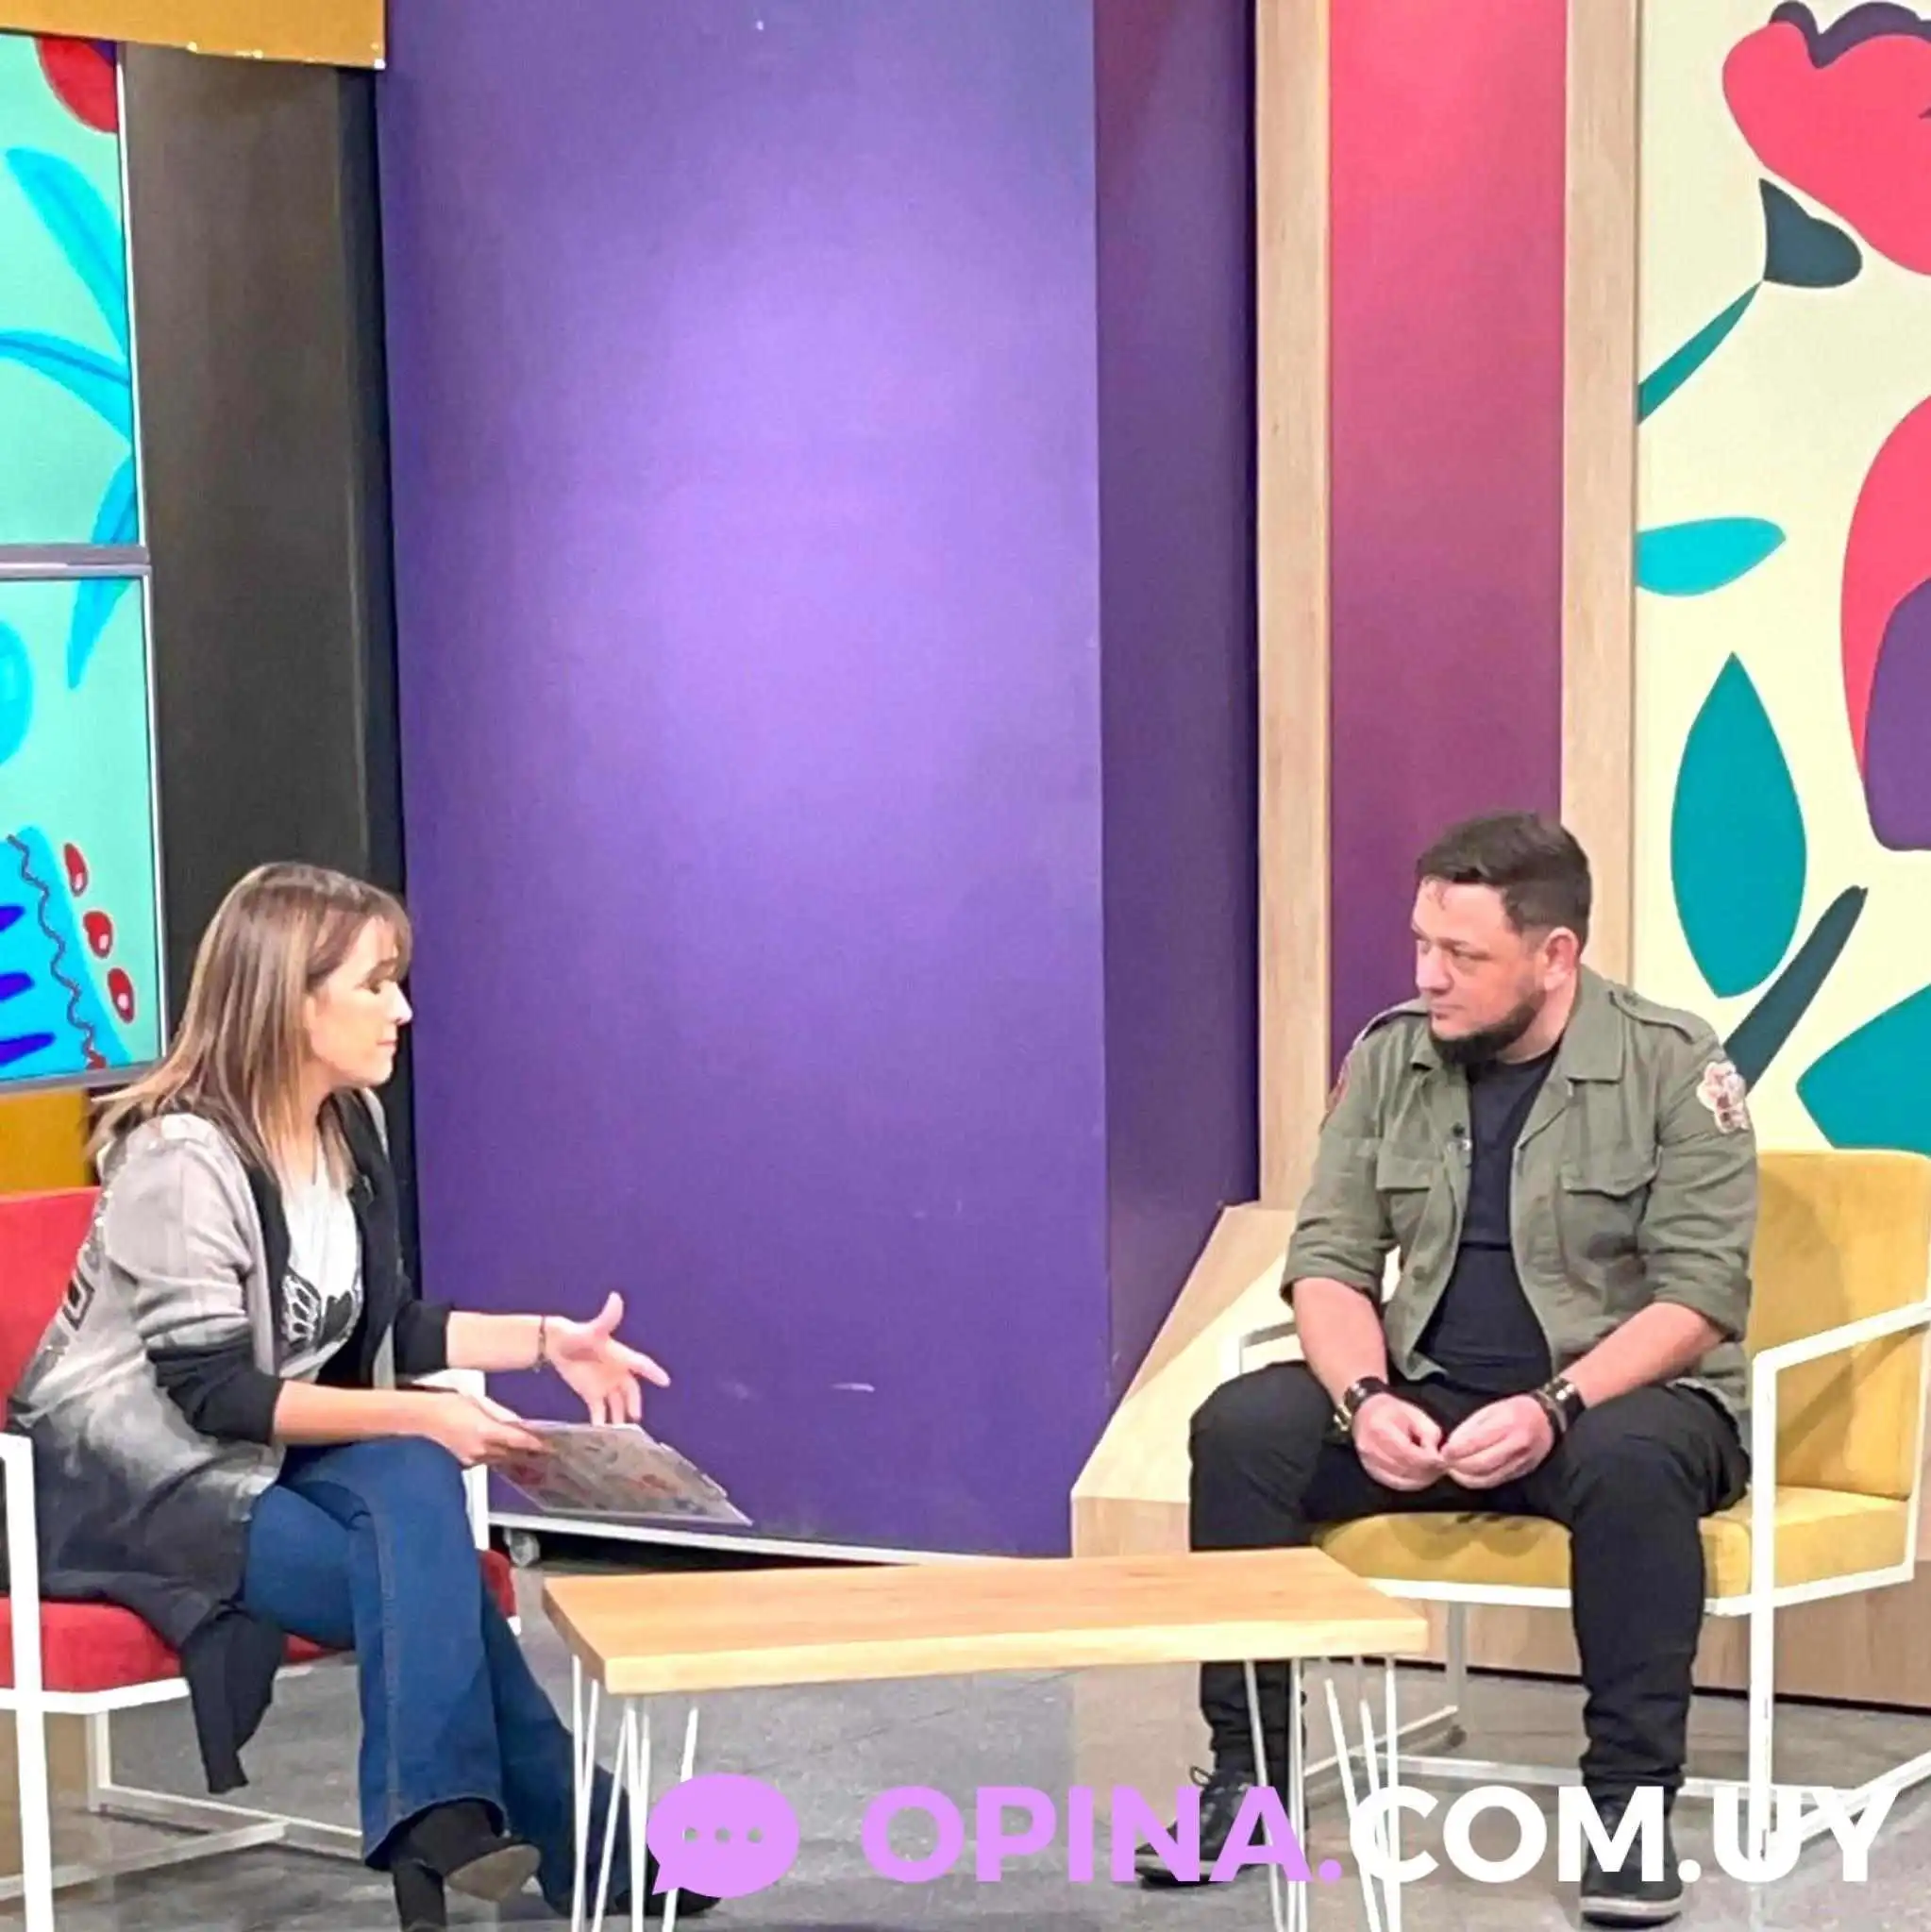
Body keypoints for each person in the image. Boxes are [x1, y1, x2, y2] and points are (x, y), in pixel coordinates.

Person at [8, 864, 719, 1930]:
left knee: (413, 1488)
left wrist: (544, 1341)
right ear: (292, 999)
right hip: (134, 1489)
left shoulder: (351, 1126)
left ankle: (442, 1822)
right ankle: (567, 1844)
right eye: (376, 984)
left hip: (266, 1455)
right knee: (430, 1560)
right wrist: (424, 1412)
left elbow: (376, 1327)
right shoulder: (180, 1158)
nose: (403, 1009)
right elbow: (215, 1391)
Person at [1139, 813, 1754, 1927]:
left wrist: (1555, 1403)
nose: (1429, 976)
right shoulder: (1390, 1057)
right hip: (1427, 1393)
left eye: (1463, 954)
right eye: (1423, 944)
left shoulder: (1673, 1062)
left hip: (1616, 1398)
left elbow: (1701, 1297)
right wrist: (1364, 1398)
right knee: (1242, 1427)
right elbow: (1327, 1262)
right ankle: (1248, 1779)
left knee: (1631, 1460)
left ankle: (1628, 1810)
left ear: (1555, 955)